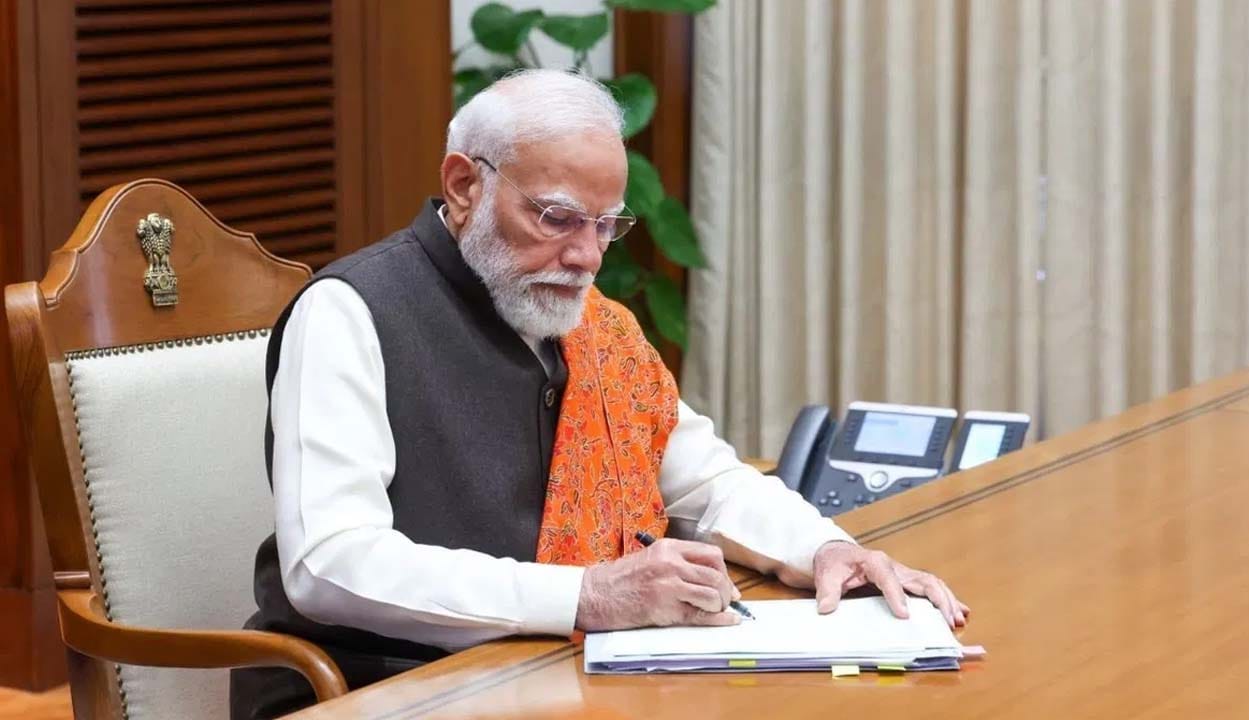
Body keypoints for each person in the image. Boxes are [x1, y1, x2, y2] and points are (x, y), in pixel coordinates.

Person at [229, 68, 967, 719]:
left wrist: (824, 547)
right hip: (390, 686)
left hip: (569, 672)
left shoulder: (594, 326)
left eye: (606, 225)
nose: (586, 256)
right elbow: (330, 564)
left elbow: (708, 482)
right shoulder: (352, 312)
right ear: (464, 185)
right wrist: (586, 596)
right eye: (556, 218)